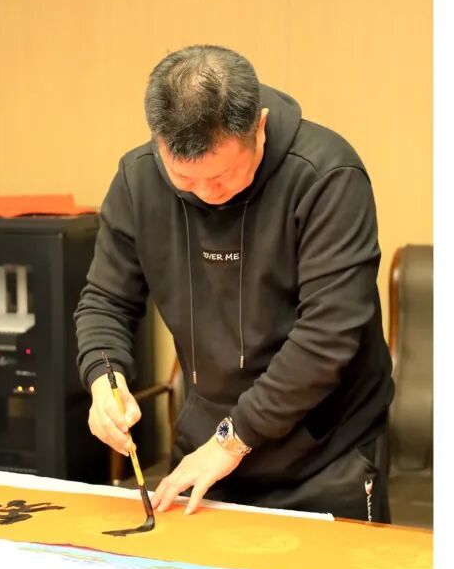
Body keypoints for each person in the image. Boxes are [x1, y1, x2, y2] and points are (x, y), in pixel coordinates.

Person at [76, 45, 394, 520]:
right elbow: (106, 301)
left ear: (258, 127)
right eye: (185, 178)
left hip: (324, 453)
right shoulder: (138, 180)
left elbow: (329, 334)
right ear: (159, 142)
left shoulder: (326, 176)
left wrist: (231, 440)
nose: (207, 194)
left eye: (222, 176)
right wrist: (105, 379)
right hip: (206, 450)